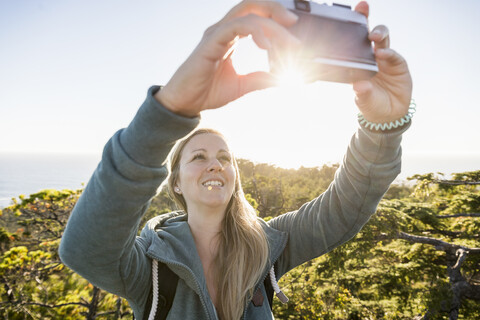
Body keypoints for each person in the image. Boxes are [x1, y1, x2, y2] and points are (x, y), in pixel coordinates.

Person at [59, 0, 413, 319]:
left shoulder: (270, 244)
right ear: (177, 182)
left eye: (224, 157)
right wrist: (170, 110)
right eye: (198, 156)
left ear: (234, 177)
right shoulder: (150, 266)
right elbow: (85, 251)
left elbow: (345, 208)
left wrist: (382, 128)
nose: (215, 164)